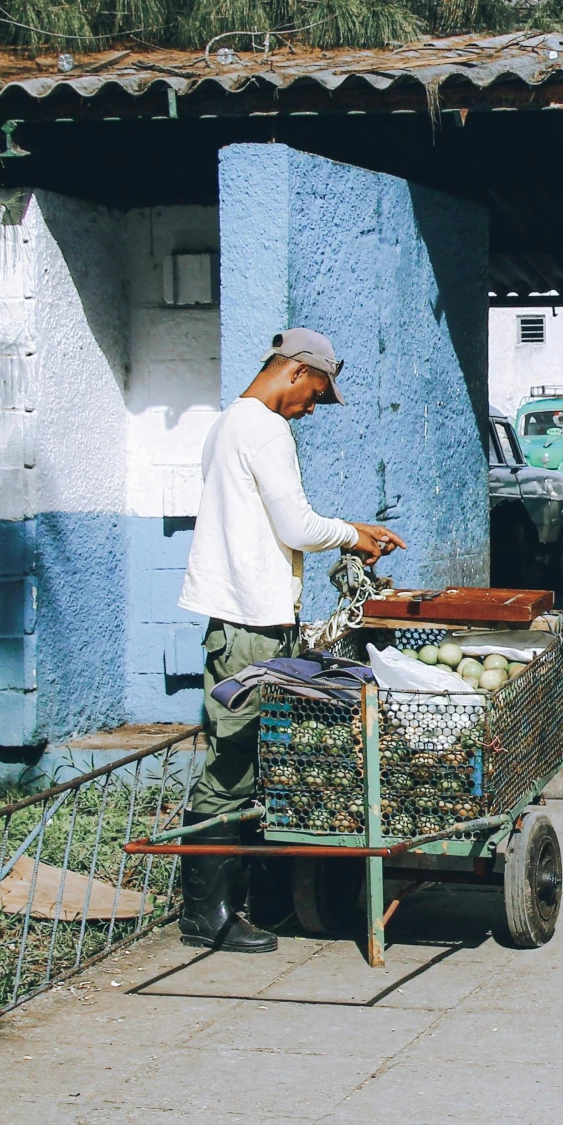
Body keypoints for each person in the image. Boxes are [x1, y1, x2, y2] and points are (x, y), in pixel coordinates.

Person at [176, 327, 406, 953]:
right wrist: (353, 537)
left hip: (245, 615)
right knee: (233, 763)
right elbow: (297, 526)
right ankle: (208, 916)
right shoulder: (265, 428)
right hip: (249, 622)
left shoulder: (229, 423)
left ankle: (243, 897)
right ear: (298, 371)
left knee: (249, 759)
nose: (312, 410)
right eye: (317, 396)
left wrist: (347, 529)